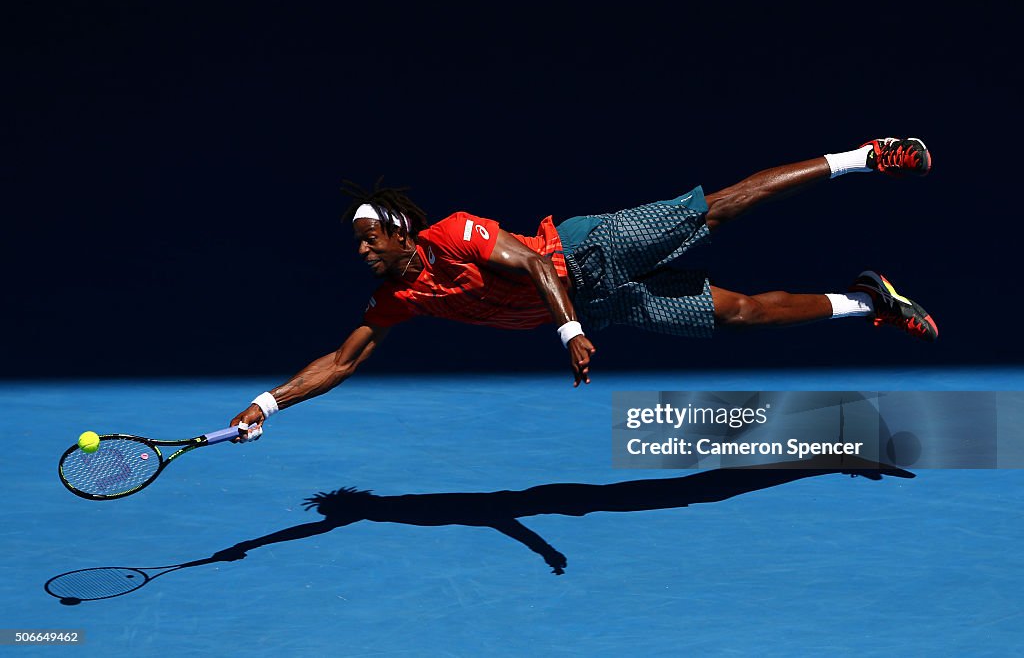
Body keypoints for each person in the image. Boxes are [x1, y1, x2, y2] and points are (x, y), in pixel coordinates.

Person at [230, 137, 936, 441]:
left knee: (718, 206)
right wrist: (266, 404)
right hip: (599, 304)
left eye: (367, 240)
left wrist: (569, 334)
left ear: (398, 233)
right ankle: (870, 299)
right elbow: (344, 359)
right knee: (741, 314)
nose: (360, 252)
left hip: (588, 249)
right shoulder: (399, 299)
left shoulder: (450, 233)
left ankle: (866, 156)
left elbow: (537, 268)